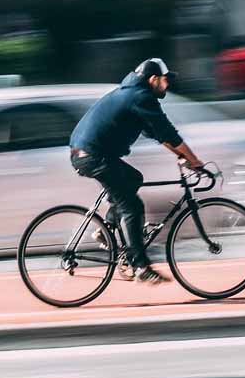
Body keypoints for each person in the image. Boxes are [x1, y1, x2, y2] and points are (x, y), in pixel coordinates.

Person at [69, 58, 207, 284]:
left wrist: (183, 156)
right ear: (153, 79)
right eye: (165, 80)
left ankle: (107, 228)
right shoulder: (141, 97)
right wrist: (195, 161)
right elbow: (168, 132)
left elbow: (158, 134)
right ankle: (141, 266)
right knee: (133, 206)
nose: (167, 85)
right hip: (93, 156)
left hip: (91, 153)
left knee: (134, 178)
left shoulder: (133, 94)